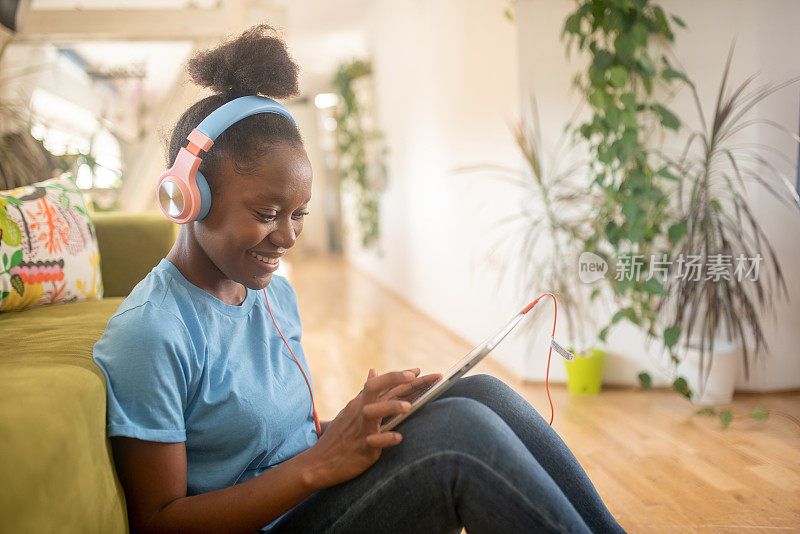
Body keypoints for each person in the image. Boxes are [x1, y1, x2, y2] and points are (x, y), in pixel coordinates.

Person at [92, 24, 626, 534]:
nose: (287, 237)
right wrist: (320, 462)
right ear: (188, 198)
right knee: (459, 437)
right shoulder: (152, 333)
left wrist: (352, 425)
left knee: (480, 393)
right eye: (266, 212)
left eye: (298, 214)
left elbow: (284, 450)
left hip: (311, 503)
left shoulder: (271, 293)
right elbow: (158, 522)